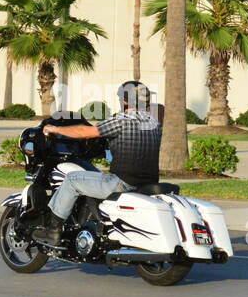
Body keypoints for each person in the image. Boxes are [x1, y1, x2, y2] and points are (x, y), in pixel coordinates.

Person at [32, 81, 161, 244]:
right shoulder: (154, 123)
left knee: (71, 179)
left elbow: (85, 131)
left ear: (125, 101)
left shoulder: (122, 120)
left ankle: (53, 231)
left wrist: (55, 129)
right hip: (148, 183)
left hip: (122, 183)